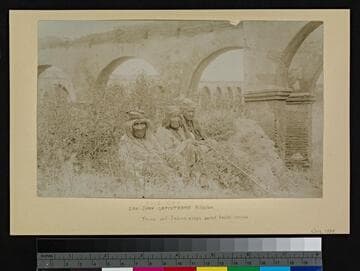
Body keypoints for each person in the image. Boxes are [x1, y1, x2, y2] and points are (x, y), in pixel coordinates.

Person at [118, 110, 174, 187]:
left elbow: (162, 152)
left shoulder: (150, 137)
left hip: (159, 164)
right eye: (136, 124)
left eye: (142, 124)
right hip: (139, 169)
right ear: (130, 127)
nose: (140, 127)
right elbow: (125, 162)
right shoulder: (125, 140)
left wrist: (169, 158)